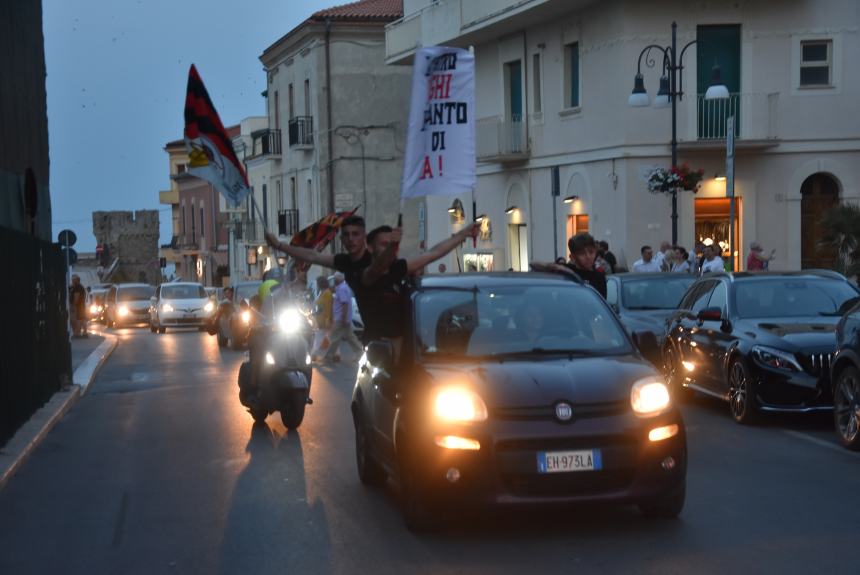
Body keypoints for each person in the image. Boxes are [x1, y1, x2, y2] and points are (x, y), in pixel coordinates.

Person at [265, 216, 478, 339]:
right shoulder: (354, 267)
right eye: (346, 235)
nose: (350, 239)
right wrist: (280, 245)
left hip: (406, 339)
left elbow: (434, 253)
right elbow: (314, 255)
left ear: (364, 239)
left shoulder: (395, 266)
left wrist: (463, 234)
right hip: (378, 343)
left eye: (355, 234)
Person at [531, 232, 607, 298]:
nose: (588, 257)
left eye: (591, 252)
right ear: (573, 257)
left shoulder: (599, 277)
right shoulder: (565, 270)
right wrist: (557, 267)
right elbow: (533, 264)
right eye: (582, 254)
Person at [322, 272, 363, 363]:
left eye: (336, 279)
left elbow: (345, 304)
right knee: (350, 336)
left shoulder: (342, 289)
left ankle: (329, 356)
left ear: (339, 279)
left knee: (334, 337)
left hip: (341, 318)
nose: (334, 281)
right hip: (343, 318)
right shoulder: (343, 288)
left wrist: (344, 317)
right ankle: (359, 351)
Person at [311, 276, 333, 361]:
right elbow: (320, 306)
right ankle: (327, 355)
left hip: (324, 320)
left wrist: (327, 320)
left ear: (320, 284)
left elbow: (328, 308)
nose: (316, 285)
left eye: (317, 283)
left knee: (320, 337)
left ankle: (314, 355)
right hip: (320, 320)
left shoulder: (327, 293)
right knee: (322, 338)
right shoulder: (322, 293)